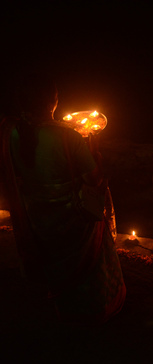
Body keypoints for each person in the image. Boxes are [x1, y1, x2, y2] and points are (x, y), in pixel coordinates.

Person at [0, 74, 126, 325]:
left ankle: (61, 304)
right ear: (54, 102)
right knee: (88, 258)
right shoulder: (68, 137)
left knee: (54, 258)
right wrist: (95, 152)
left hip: (35, 211)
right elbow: (93, 178)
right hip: (71, 214)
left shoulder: (10, 131)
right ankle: (94, 309)